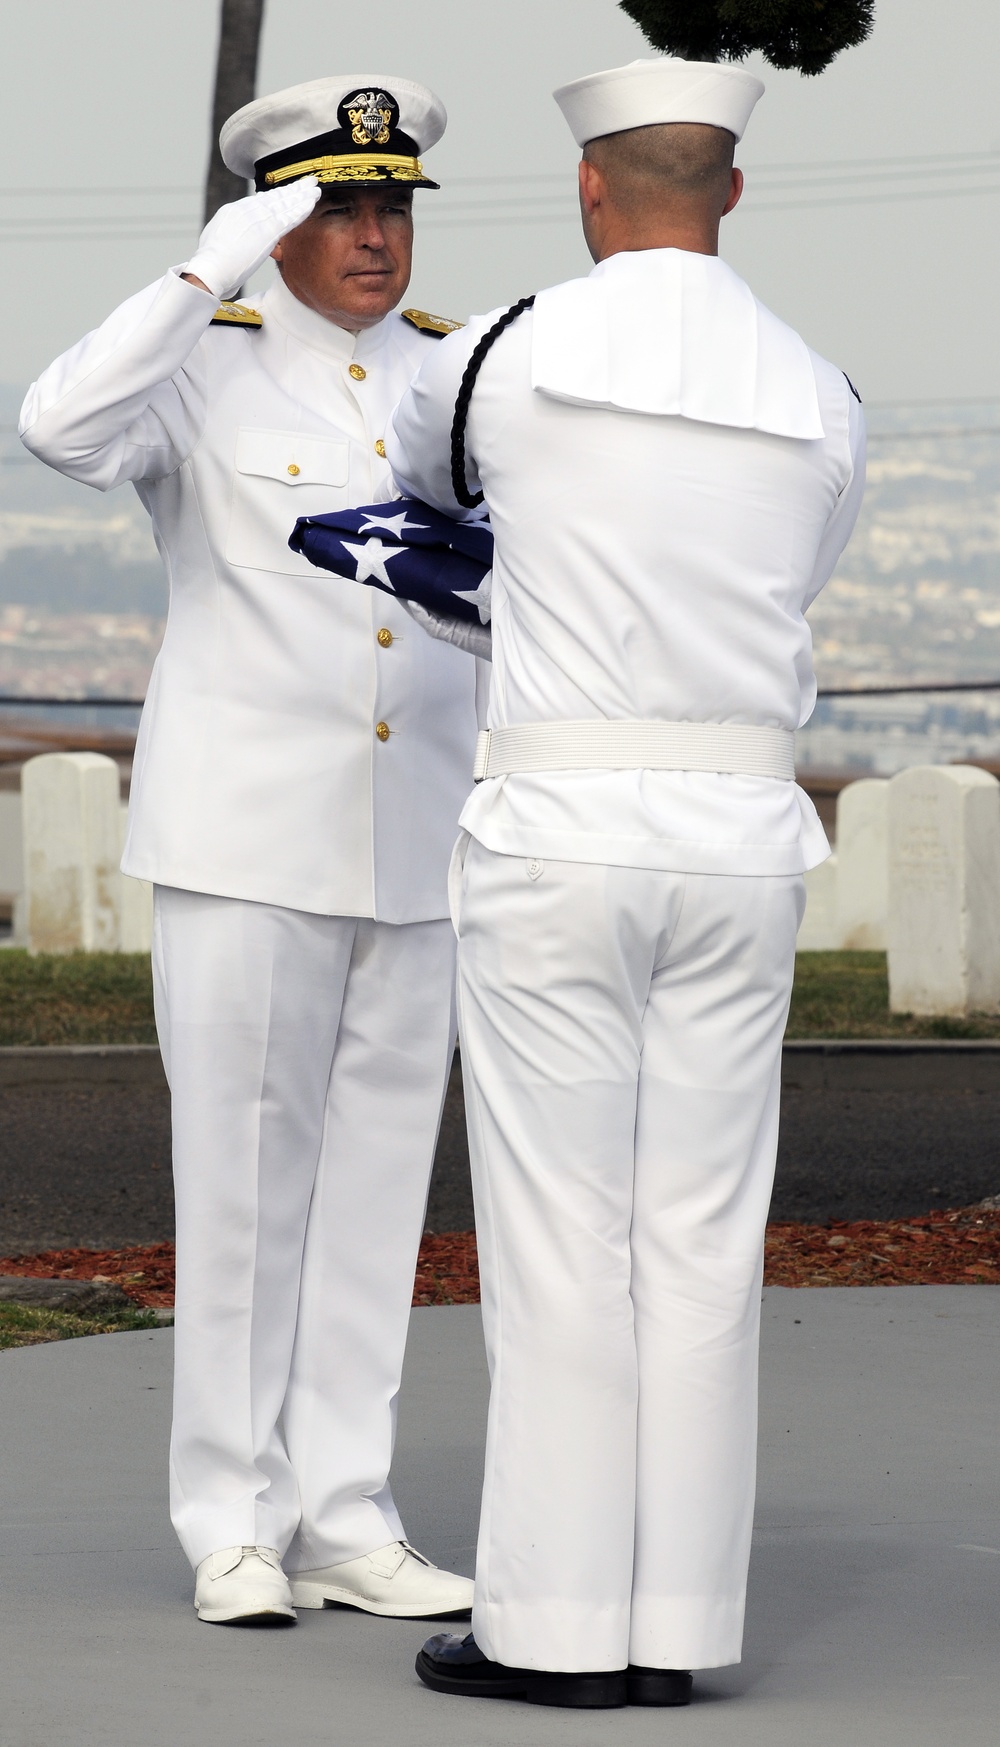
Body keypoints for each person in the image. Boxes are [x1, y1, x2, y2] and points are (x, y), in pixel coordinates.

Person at [384, 55, 865, 1708]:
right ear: (731, 188)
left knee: (560, 1241)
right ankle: (678, 1628)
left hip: (562, 838)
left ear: (591, 188)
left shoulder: (507, 349)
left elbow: (429, 481)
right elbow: (795, 564)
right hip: (740, 847)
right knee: (699, 1242)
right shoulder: (824, 385)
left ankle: (552, 1627)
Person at [19, 74, 478, 1626]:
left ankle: (348, 1509)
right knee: (238, 1190)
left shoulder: (445, 374)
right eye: (337, 206)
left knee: (373, 1196)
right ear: (277, 217)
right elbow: (55, 424)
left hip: (420, 837)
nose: (371, 236)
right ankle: (231, 1516)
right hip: (245, 837)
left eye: (391, 205)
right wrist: (210, 263)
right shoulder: (197, 371)